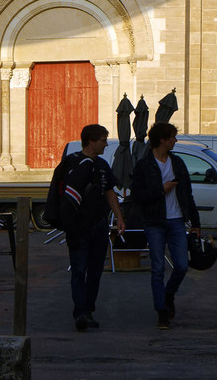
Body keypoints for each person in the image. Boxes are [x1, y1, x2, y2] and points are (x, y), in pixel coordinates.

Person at [49, 122, 124, 332]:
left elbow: (109, 192)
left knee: (96, 271)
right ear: (91, 141)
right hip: (78, 226)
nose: (106, 144)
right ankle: (80, 312)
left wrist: (119, 217)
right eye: (103, 140)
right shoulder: (71, 163)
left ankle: (88, 310)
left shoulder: (102, 165)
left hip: (99, 225)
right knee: (79, 269)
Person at [129, 121, 202, 328]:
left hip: (177, 220)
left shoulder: (177, 163)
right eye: (172, 137)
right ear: (162, 139)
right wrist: (162, 190)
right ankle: (161, 310)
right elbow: (137, 195)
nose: (175, 140)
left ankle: (168, 293)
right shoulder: (144, 165)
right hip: (154, 222)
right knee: (158, 267)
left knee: (181, 265)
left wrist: (195, 223)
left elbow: (187, 193)